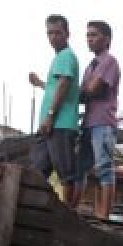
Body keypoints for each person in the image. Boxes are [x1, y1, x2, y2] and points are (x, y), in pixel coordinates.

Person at [29, 15, 81, 206]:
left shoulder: (66, 55)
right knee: (38, 170)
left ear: (67, 34)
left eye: (58, 32)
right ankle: (36, 207)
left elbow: (64, 85)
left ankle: (68, 214)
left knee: (66, 173)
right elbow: (55, 88)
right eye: (50, 33)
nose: (53, 37)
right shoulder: (60, 57)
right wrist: (40, 83)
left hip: (60, 123)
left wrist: (50, 116)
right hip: (49, 124)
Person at [76, 20, 121, 219]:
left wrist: (85, 89)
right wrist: (85, 89)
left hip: (103, 122)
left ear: (107, 39)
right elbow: (82, 95)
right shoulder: (90, 67)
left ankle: (104, 215)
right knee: (80, 167)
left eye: (94, 35)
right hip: (88, 122)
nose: (89, 39)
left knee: (104, 167)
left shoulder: (108, 61)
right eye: (88, 35)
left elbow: (92, 89)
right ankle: (74, 208)